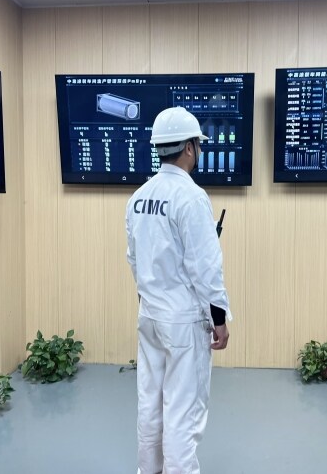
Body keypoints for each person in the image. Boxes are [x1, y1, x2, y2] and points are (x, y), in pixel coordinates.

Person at [126, 106, 232, 474]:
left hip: (149, 315)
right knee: (183, 412)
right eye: (197, 145)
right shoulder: (191, 197)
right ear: (189, 147)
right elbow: (206, 268)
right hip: (184, 322)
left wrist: (148, 299)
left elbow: (134, 258)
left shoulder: (139, 197)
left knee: (150, 403)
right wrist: (219, 318)